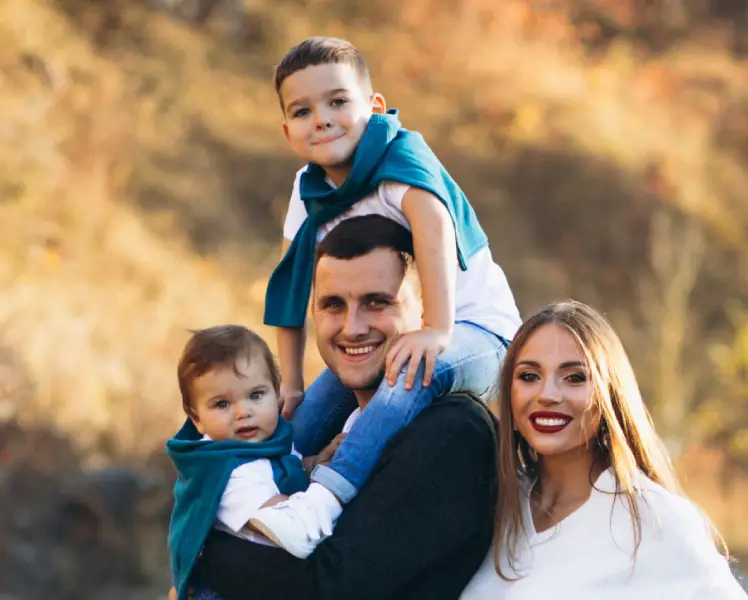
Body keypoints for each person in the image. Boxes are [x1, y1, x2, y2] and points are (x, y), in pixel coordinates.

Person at [260, 36, 521, 557]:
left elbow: (434, 225)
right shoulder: (308, 188)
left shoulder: (401, 156)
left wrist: (438, 329)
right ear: (288, 130)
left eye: (338, 102)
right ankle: (255, 511)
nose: (323, 119)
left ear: (373, 108)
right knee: (302, 419)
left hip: (475, 330)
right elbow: (292, 281)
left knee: (408, 375)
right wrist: (289, 383)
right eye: (304, 110)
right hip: (390, 334)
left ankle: (323, 504)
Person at [190, 215, 499, 600]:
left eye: (377, 302)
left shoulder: (451, 432)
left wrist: (199, 551)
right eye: (333, 305)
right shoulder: (341, 425)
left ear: (426, 313)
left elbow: (329, 587)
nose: (352, 328)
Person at [460, 301, 748, 599]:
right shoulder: (492, 508)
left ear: (610, 393)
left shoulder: (656, 519)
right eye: (529, 376)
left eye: (575, 377)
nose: (547, 394)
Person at [165, 325, 310, 600]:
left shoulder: (268, 441)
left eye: (256, 395)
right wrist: (333, 486)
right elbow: (284, 515)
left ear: (276, 392)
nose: (244, 412)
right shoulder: (228, 472)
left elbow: (282, 470)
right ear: (196, 418)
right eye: (222, 404)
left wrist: (314, 462)